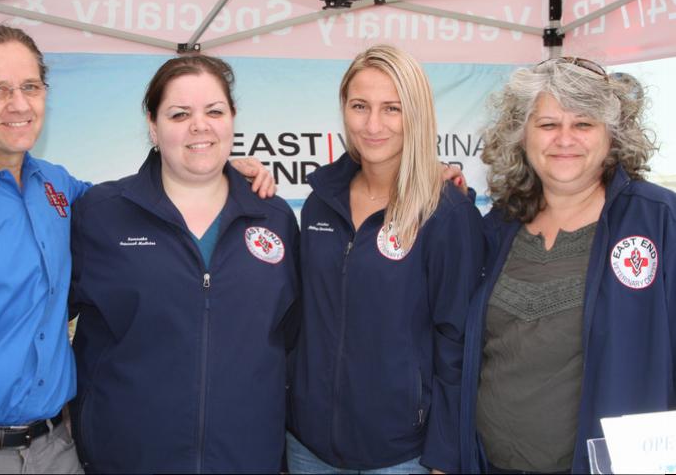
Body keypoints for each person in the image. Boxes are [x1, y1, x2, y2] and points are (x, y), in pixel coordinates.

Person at [0, 25, 274, 474]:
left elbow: (140, 204)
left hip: (56, 450)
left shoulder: (55, 186)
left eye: (31, 87)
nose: (19, 104)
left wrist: (214, 168)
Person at [68, 54, 300, 473]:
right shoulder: (101, 213)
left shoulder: (276, 218)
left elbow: (293, 339)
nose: (200, 126)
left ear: (232, 120)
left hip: (246, 460)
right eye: (179, 114)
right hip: (127, 461)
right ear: (153, 127)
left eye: (215, 111)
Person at [459, 57, 675, 474]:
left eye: (583, 124)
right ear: (522, 135)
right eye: (547, 124)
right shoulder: (497, 229)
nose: (564, 138)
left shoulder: (658, 220)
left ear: (612, 136)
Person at [286, 45, 485, 474]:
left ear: (415, 114)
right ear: (344, 109)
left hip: (401, 454)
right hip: (308, 445)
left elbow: (458, 340)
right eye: (360, 106)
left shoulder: (446, 212)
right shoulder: (321, 201)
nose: (373, 124)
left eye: (391, 108)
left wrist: (445, 453)